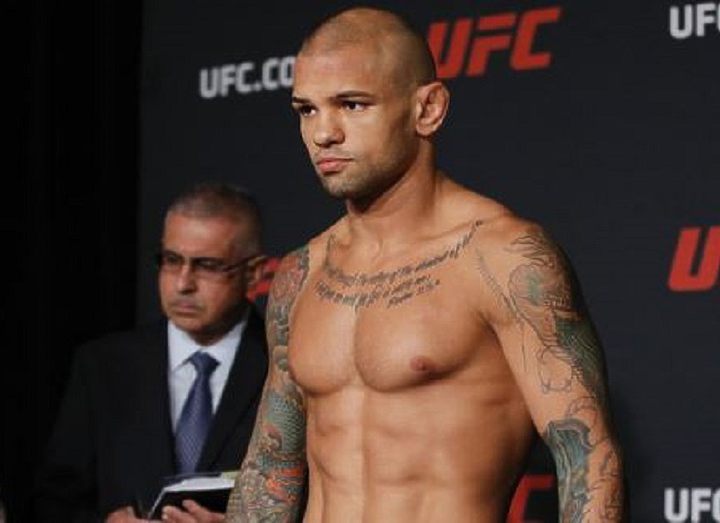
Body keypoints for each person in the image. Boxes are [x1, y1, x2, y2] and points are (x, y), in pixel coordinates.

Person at [223, 7, 625, 523]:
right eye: (307, 110)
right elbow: (269, 471)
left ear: (428, 109)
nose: (323, 133)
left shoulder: (501, 257)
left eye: (352, 104)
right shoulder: (302, 273)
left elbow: (589, 460)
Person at [35, 183, 269, 522]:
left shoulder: (289, 367)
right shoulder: (103, 366)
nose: (183, 284)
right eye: (172, 260)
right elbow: (53, 503)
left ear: (253, 274)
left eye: (206, 265)